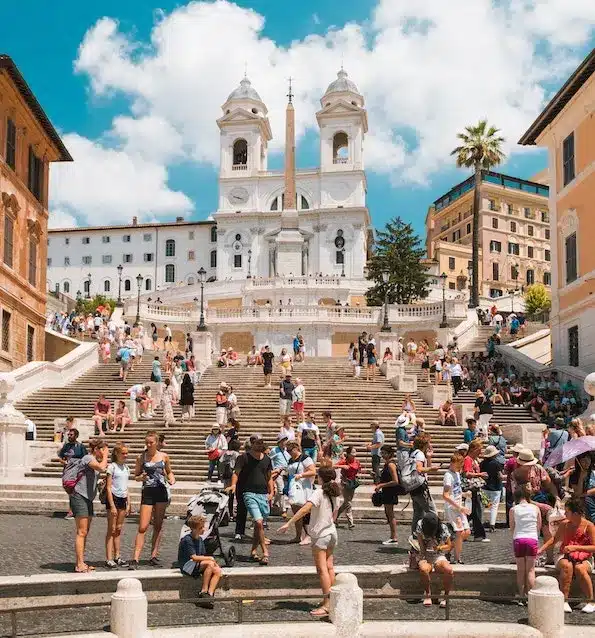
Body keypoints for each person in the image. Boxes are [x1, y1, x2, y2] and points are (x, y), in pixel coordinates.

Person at [278, 466, 342, 618]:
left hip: (321, 535)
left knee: (322, 570)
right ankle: (334, 601)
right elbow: (335, 514)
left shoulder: (319, 492)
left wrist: (289, 522)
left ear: (320, 477)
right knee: (330, 568)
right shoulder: (335, 492)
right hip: (332, 532)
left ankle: (327, 605)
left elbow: (305, 509)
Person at [538, 498, 595, 614]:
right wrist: (541, 549)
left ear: (575, 513)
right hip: (565, 555)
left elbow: (594, 547)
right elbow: (554, 539)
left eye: (567, 511)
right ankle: (564, 600)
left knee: (580, 568)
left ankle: (591, 600)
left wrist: (576, 548)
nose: (564, 514)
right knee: (566, 566)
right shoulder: (564, 524)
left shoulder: (589, 526)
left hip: (584, 557)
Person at [129, 431, 175, 570]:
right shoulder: (141, 457)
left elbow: (169, 471)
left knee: (158, 525)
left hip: (161, 491)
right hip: (148, 492)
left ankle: (153, 555)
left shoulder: (164, 456)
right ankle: (135, 558)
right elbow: (135, 475)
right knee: (143, 526)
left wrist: (172, 478)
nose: (148, 445)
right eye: (147, 442)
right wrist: (140, 478)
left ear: (157, 442)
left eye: (151, 442)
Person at [228, 433, 273, 565]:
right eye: (257, 443)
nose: (260, 445)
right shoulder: (244, 458)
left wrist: (272, 491)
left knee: (258, 526)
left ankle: (253, 551)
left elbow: (269, 476)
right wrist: (233, 485)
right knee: (258, 522)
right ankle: (265, 552)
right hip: (248, 493)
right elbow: (236, 473)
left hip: (263, 494)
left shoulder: (267, 459)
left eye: (261, 443)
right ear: (252, 444)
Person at [67, 439, 110, 572]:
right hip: (79, 496)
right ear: (96, 449)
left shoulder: (93, 460)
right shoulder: (87, 457)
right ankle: (79, 564)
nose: (104, 452)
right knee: (82, 531)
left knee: (85, 532)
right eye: (102, 449)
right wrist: (106, 455)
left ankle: (81, 562)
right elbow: (102, 467)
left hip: (88, 498)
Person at [178, 515, 222, 608]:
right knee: (210, 563)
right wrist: (210, 559)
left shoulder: (200, 539)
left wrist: (213, 563)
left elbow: (202, 555)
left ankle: (209, 595)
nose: (204, 529)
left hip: (197, 564)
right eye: (201, 527)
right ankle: (203, 590)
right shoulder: (187, 540)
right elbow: (194, 557)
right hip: (187, 565)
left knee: (217, 571)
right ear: (194, 529)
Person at [415, 512, 454, 608]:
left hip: (438, 555)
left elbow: (449, 546)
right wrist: (422, 556)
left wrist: (439, 547)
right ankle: (428, 594)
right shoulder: (420, 524)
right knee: (424, 569)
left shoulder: (443, 528)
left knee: (448, 570)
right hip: (426, 554)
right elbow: (420, 543)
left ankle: (446, 597)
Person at [510, 485, 541, 602]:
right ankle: (531, 596)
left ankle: (521, 595)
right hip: (532, 539)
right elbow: (538, 526)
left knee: (520, 570)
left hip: (519, 539)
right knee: (530, 570)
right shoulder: (535, 508)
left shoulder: (513, 509)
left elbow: (512, 527)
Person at [105, 443, 131, 569]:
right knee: (111, 529)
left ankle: (117, 555)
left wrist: (129, 502)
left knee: (119, 529)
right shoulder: (112, 467)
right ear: (116, 453)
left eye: (126, 453)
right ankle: (109, 558)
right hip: (114, 498)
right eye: (123, 453)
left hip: (123, 498)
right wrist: (112, 505)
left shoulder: (126, 467)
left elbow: (126, 486)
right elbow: (108, 487)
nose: (125, 455)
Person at [286, 440, 317, 545]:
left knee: (305, 512)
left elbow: (313, 471)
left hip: (304, 488)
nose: (289, 452)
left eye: (290, 450)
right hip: (294, 488)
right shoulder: (290, 460)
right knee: (296, 512)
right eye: (287, 451)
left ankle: (308, 535)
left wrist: (301, 475)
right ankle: (298, 536)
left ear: (295, 449)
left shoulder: (305, 458)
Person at [442, 452, 470, 564]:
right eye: (458, 466)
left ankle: (448, 548)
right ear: (452, 463)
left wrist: (464, 494)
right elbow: (445, 495)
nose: (460, 468)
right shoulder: (448, 476)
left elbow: (456, 491)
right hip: (453, 508)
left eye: (461, 466)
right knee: (459, 532)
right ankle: (457, 558)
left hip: (459, 506)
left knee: (467, 532)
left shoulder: (457, 474)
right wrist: (459, 507)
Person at [410, 434, 439, 534]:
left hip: (414, 488)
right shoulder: (419, 455)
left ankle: (415, 538)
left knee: (418, 514)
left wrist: (429, 458)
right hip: (421, 488)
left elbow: (425, 469)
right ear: (424, 443)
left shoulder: (415, 453)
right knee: (433, 513)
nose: (430, 444)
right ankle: (432, 537)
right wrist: (432, 468)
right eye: (429, 442)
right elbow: (419, 469)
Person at [58, 428, 88, 521]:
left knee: (72, 491)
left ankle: (72, 511)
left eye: (71, 435)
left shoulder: (80, 447)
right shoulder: (66, 446)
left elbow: (85, 459)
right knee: (69, 489)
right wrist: (64, 462)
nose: (69, 436)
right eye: (69, 435)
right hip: (67, 471)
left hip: (76, 472)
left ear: (76, 436)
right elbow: (60, 457)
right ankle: (75, 509)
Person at [463, 439, 489, 542]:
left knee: (473, 511)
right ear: (473, 449)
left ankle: (462, 530)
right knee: (476, 511)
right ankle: (479, 534)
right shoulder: (468, 459)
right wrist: (480, 475)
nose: (480, 452)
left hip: (475, 488)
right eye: (479, 449)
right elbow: (467, 474)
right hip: (471, 489)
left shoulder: (474, 460)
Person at [375, 445, 400, 545]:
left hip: (390, 492)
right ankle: (392, 536)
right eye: (381, 453)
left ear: (390, 454)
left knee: (390, 514)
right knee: (388, 513)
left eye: (384, 453)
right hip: (387, 491)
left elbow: (395, 481)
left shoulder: (391, 465)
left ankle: (394, 537)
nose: (382, 455)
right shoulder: (387, 464)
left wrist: (381, 485)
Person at [335, 446, 361, 530]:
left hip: (352, 483)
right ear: (348, 454)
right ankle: (350, 522)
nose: (354, 454)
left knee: (346, 502)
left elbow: (358, 469)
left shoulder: (357, 461)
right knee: (348, 502)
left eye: (355, 452)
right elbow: (333, 465)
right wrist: (343, 467)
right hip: (345, 483)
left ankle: (334, 517)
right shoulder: (344, 462)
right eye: (352, 453)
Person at [480, 444, 503, 533]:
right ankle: (492, 525)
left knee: (482, 506)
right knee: (494, 506)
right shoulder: (497, 464)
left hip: (485, 487)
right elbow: (500, 476)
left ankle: (480, 523)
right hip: (496, 488)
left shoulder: (482, 463)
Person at [269, 433, 291, 514]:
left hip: (287, 472)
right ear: (279, 442)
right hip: (278, 472)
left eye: (285, 440)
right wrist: (274, 469)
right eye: (283, 441)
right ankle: (283, 510)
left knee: (283, 490)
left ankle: (275, 503)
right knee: (280, 489)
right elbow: (269, 460)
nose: (284, 442)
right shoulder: (274, 450)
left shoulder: (287, 450)